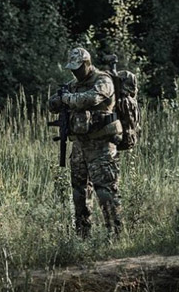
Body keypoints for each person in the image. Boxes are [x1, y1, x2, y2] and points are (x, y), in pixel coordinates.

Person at [47, 47, 123, 238]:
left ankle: (115, 236)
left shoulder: (103, 80)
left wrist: (67, 99)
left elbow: (90, 99)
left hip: (101, 147)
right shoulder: (72, 85)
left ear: (87, 64)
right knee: (79, 193)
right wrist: (58, 100)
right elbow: (53, 104)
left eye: (78, 68)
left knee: (105, 191)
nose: (75, 72)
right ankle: (83, 237)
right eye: (72, 69)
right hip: (80, 147)